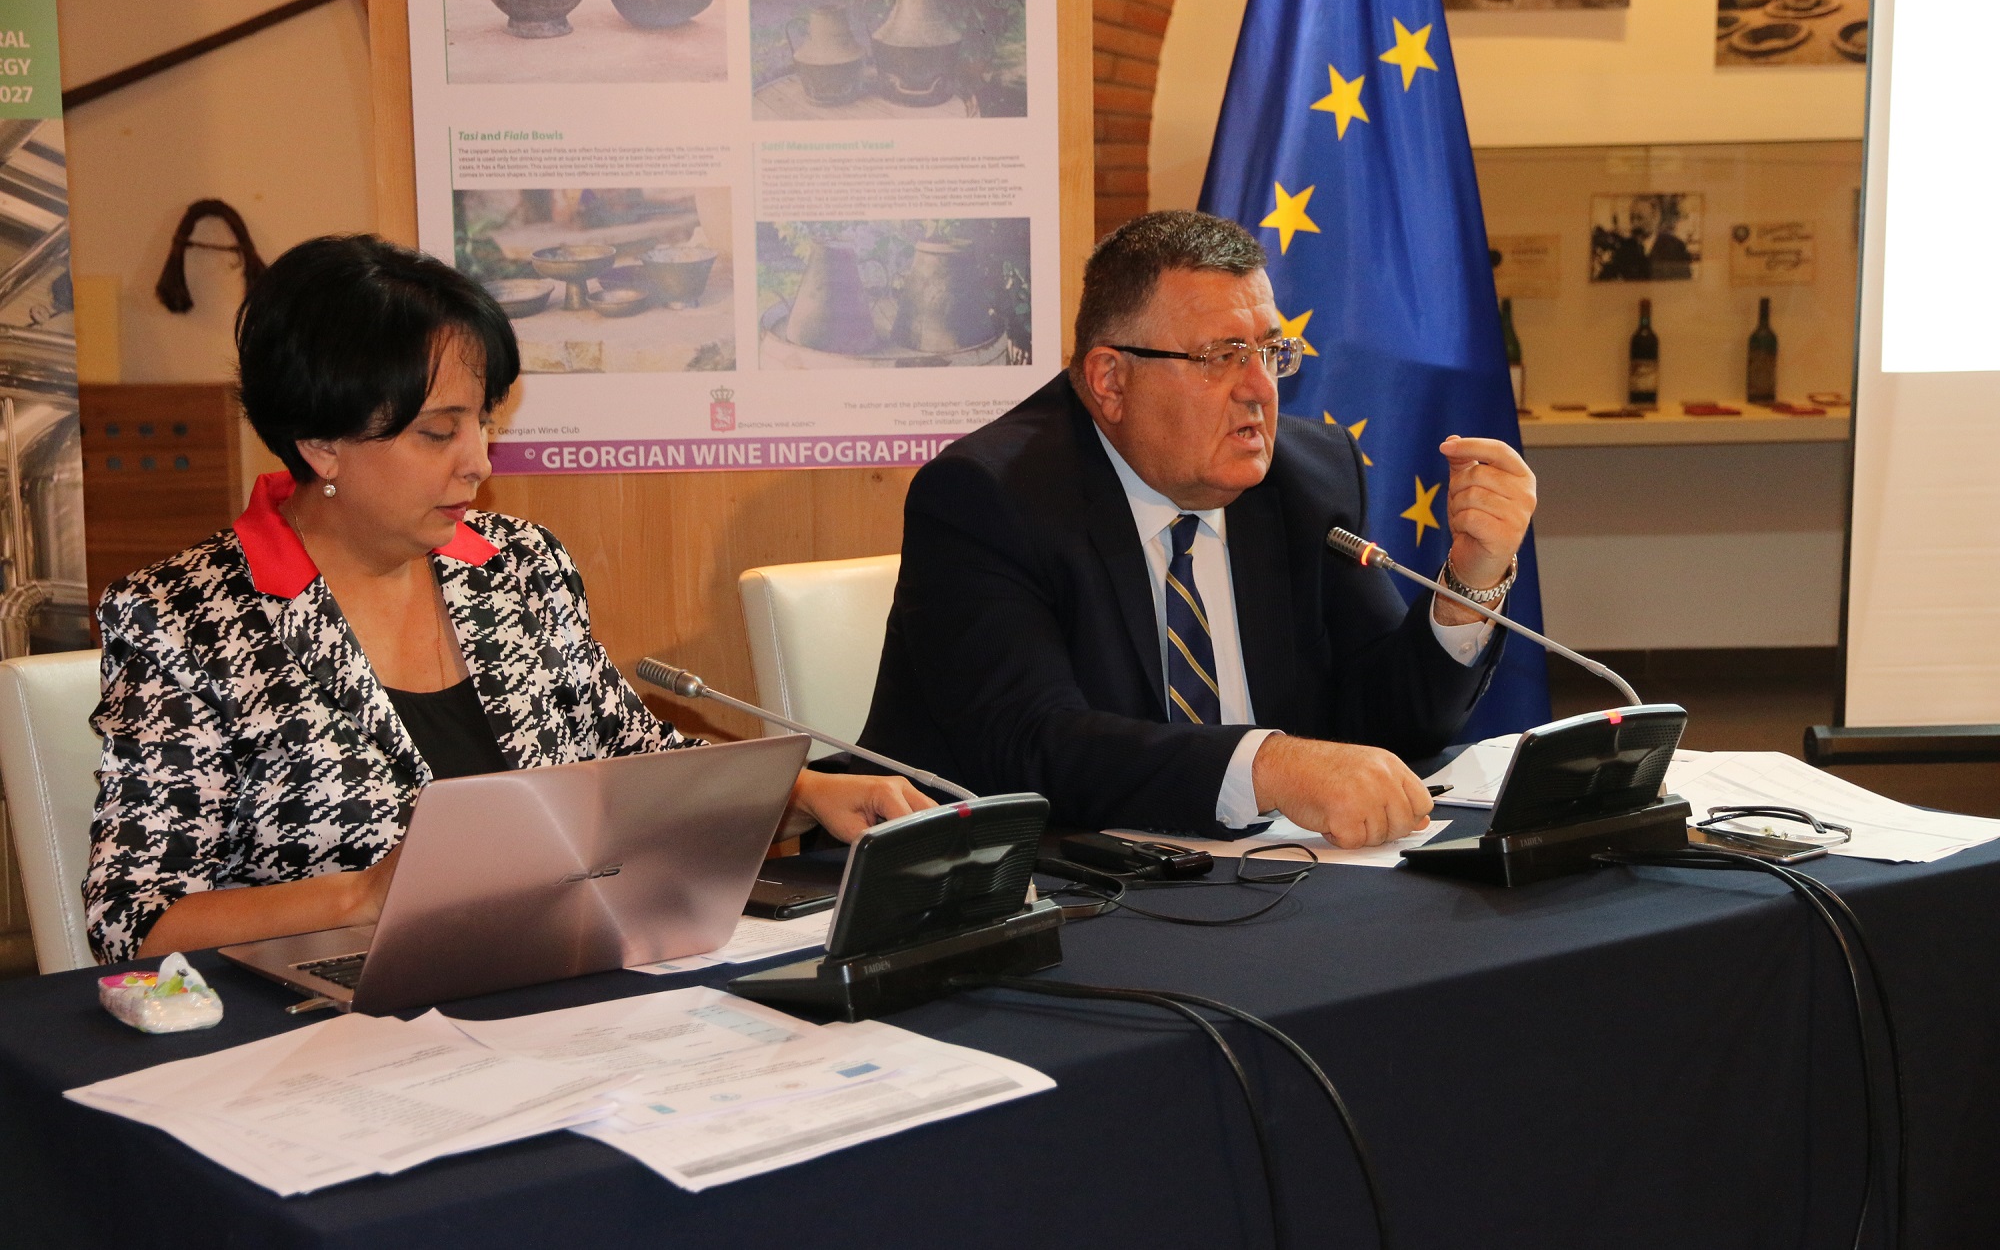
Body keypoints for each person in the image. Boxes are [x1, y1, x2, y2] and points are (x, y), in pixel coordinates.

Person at [83, 235, 930, 964]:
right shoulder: (184, 619)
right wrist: (361, 897)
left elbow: (631, 757)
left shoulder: (518, 566)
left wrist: (804, 790)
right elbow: (132, 919)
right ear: (321, 443)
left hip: (556, 977)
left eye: (483, 419)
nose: (480, 460)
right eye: (438, 432)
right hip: (327, 1026)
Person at [857, 211, 1538, 847]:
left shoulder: (1308, 479)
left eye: (1270, 350)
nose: (1260, 388)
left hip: (1274, 877)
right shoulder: (988, 498)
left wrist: (1468, 584)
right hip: (1048, 880)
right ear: (1110, 381)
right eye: (1222, 356)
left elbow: (1391, 719)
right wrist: (1267, 766)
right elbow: (1034, 747)